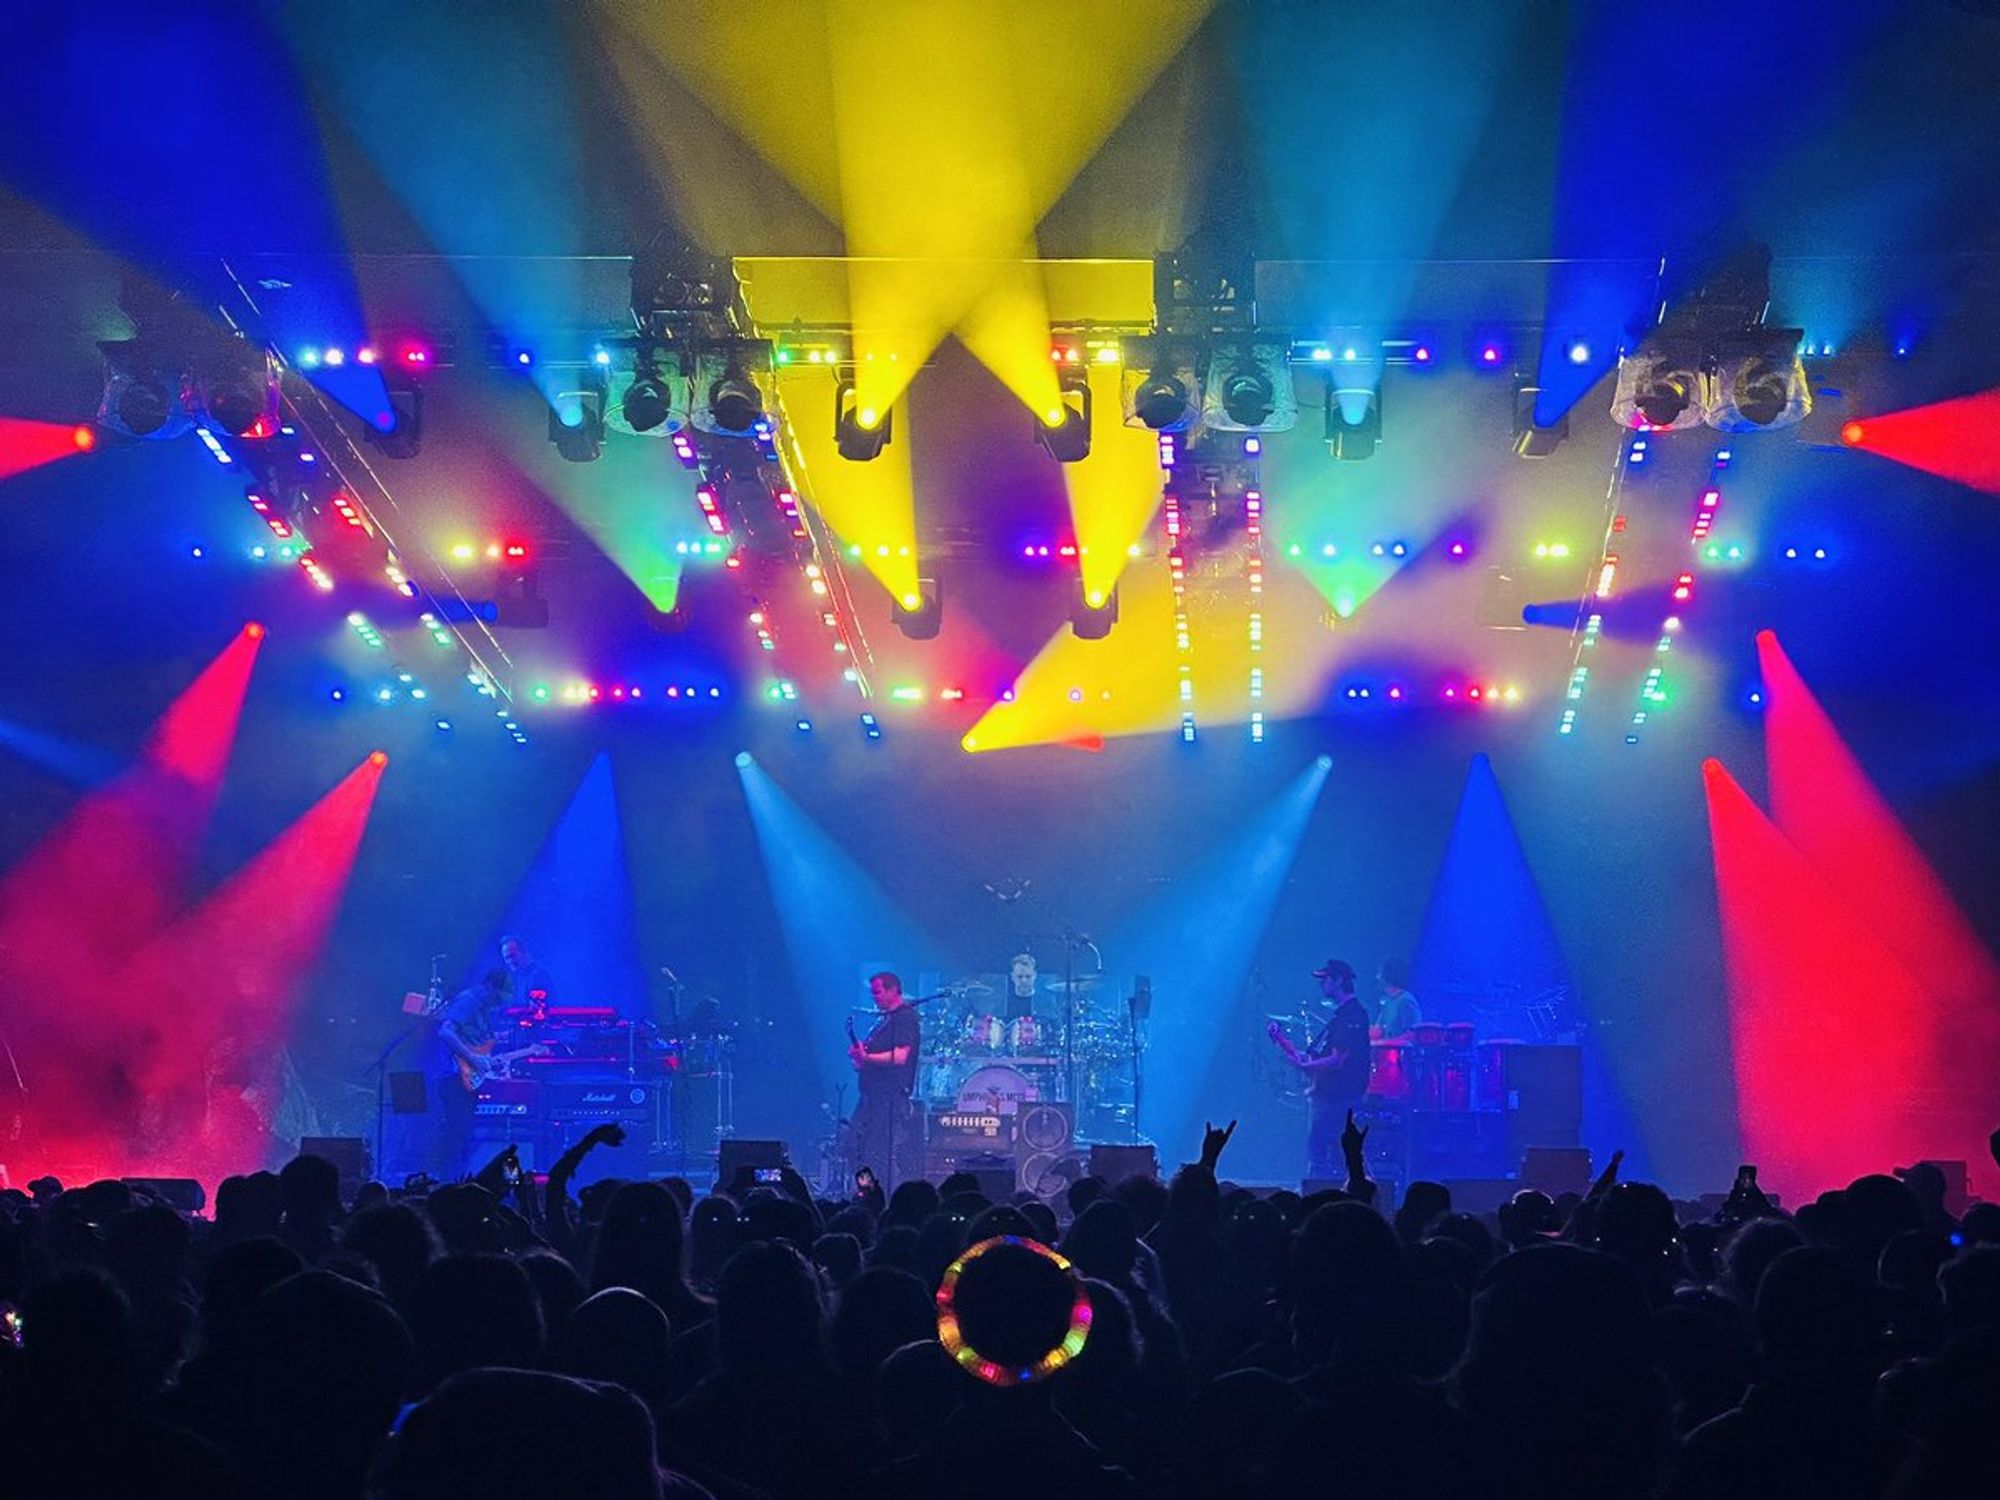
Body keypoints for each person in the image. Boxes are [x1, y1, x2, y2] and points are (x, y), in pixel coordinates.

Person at [1268, 959, 1372, 1178]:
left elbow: (1338, 1059)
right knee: (1320, 1148)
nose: (1321, 984)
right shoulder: (1339, 1018)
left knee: (1325, 1150)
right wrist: (1282, 1041)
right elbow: (1316, 1055)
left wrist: (1306, 1065)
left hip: (1340, 1094)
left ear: (1339, 980)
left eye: (1325, 979)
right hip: (1329, 1092)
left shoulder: (1352, 1015)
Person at [431, 968, 512, 1181]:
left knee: (464, 1135)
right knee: (456, 1136)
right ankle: (448, 1186)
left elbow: (476, 1040)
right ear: (491, 987)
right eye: (499, 996)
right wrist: (473, 1059)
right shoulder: (469, 1000)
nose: (500, 1002)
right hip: (454, 1077)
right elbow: (446, 1032)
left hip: (465, 1078)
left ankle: (460, 1182)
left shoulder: (483, 1007)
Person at [849, 971, 922, 1189]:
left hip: (888, 1097)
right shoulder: (884, 1021)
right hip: (871, 1095)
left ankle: (879, 1195)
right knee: (854, 1145)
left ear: (893, 990)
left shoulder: (905, 1017)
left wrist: (868, 1057)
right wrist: (862, 1058)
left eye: (878, 992)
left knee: (877, 1150)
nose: (874, 997)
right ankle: (867, 1190)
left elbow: (901, 1056)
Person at [498, 934, 553, 1016]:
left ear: (524, 953)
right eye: (506, 958)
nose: (510, 961)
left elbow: (538, 1010)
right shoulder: (519, 977)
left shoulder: (538, 976)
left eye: (513, 956)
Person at [1373, 957, 1422, 1040]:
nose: (1377, 977)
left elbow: (1413, 1034)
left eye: (1380, 973)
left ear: (1388, 975)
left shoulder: (1405, 1002)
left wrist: (1390, 1043)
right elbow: (1378, 1030)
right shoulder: (1387, 1001)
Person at [1002, 952, 1041, 1022]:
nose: (1024, 981)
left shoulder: (1044, 1003)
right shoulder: (1003, 1003)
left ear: (1035, 975)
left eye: (1028, 976)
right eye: (1019, 976)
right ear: (1012, 976)